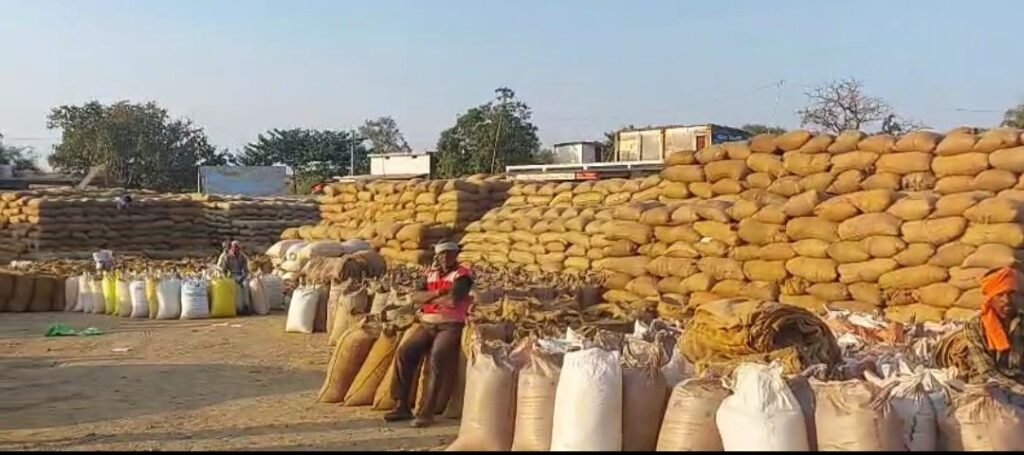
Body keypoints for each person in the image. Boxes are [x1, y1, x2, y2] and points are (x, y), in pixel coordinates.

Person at [384, 241, 473, 427]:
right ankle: (401, 404)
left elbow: (453, 301)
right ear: (437, 256)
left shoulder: (463, 275)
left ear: (456, 255)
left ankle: (428, 410)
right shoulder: (430, 274)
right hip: (427, 323)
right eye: (442, 254)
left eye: (449, 253)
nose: (445, 257)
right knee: (405, 352)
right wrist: (439, 292)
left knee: (437, 357)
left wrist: (428, 298)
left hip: (450, 325)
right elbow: (415, 297)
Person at [960, 266, 1024, 386]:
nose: (1007, 300)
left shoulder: (1021, 320)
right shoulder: (975, 325)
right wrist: (1019, 390)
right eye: (1000, 295)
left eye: (1010, 293)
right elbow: (987, 372)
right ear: (991, 298)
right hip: (993, 383)